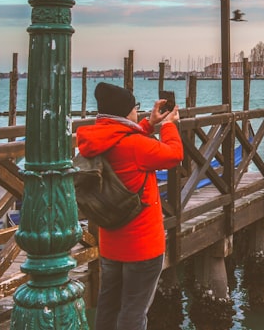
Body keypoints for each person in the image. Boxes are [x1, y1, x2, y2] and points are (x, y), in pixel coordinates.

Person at [76, 82, 183, 330]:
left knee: (109, 307)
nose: (138, 113)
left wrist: (149, 124)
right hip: (143, 247)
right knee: (134, 313)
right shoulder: (136, 146)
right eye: (136, 109)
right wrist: (167, 126)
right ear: (125, 113)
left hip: (112, 243)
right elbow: (174, 154)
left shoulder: (95, 140)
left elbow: (121, 137)